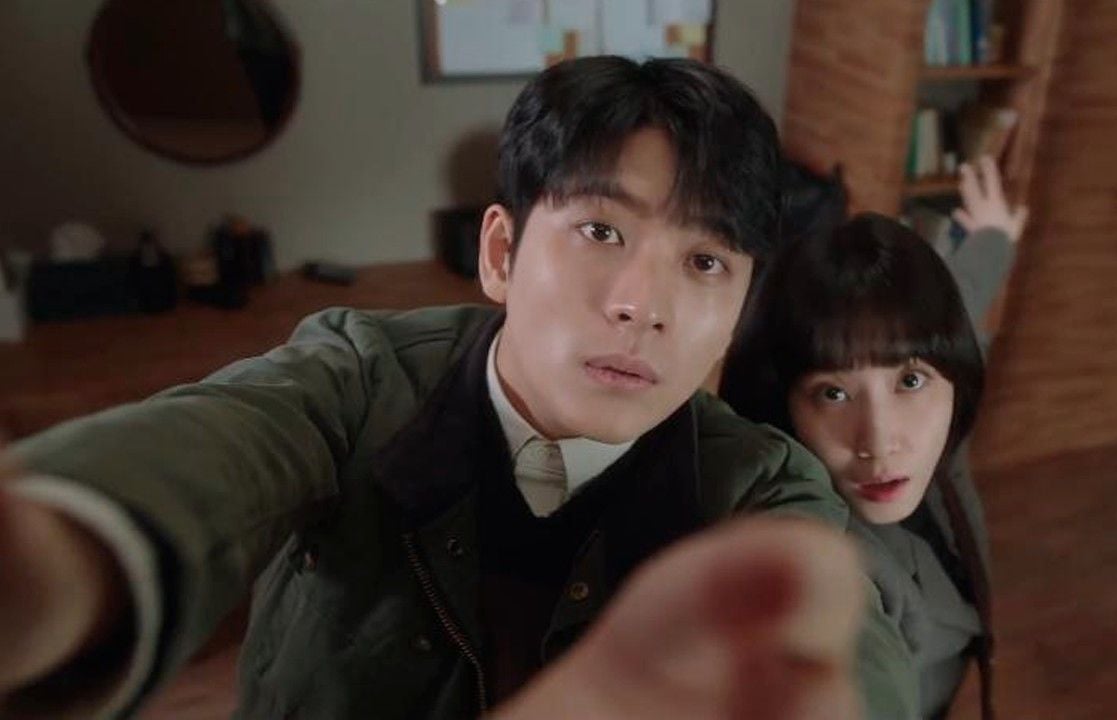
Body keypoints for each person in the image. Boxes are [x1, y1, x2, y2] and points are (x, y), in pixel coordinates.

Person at [0, 56, 915, 719]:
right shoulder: (362, 377)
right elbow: (218, 448)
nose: (644, 306)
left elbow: (843, 648)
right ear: (502, 252)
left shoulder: (760, 483)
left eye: (706, 260)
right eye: (602, 231)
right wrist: (60, 555)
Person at [721, 157, 1027, 719]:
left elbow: (959, 295)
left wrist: (992, 236)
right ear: (785, 404)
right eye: (833, 393)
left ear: (953, 376)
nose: (881, 442)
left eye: (909, 382)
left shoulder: (944, 391)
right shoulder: (824, 558)